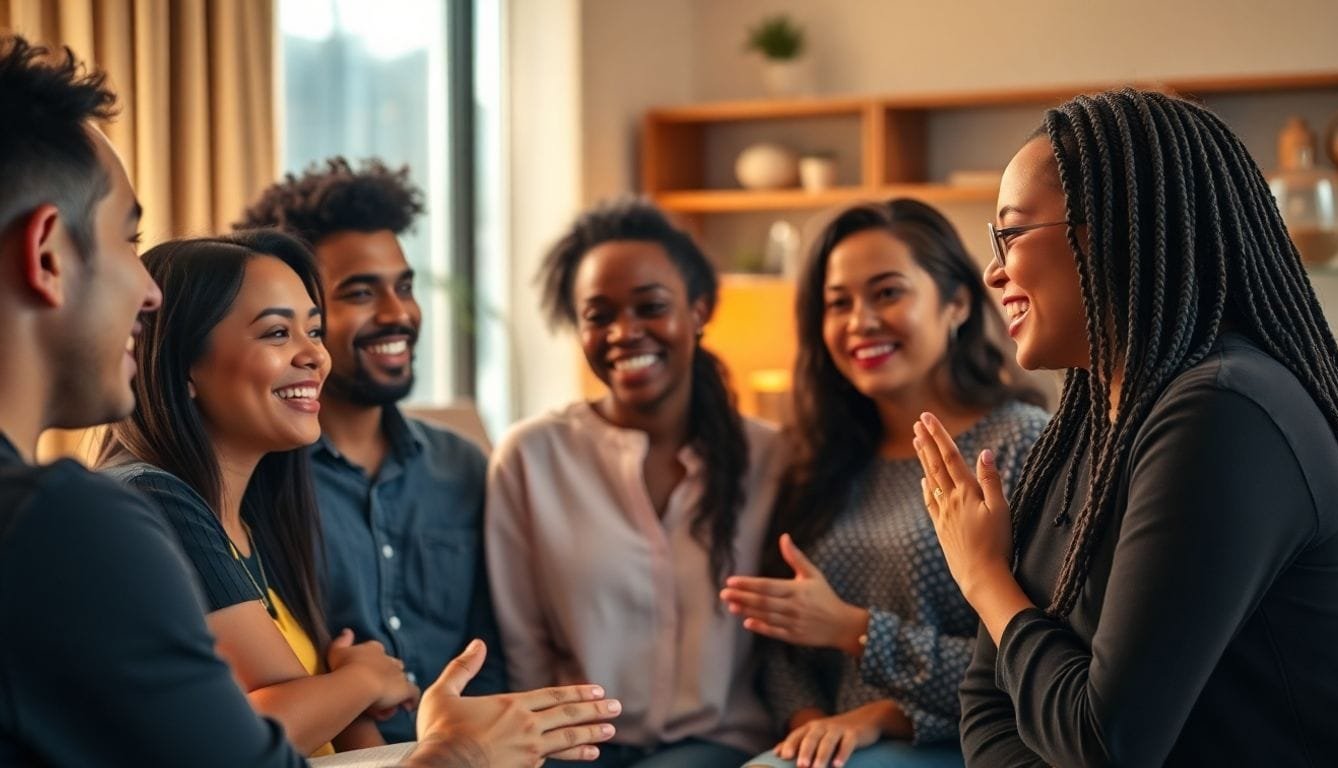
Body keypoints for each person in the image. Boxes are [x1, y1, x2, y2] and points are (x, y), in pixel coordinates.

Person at [0, 33, 617, 767]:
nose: (148, 291)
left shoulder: (271, 509)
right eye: (127, 242)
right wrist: (455, 751)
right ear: (45, 254)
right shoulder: (86, 519)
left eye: (313, 328)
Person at [913, 88, 1338, 766]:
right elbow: (987, 702)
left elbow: (1106, 742)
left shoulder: (1224, 413)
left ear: (1117, 230)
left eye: (1008, 232)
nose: (993, 269)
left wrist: (982, 576)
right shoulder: (1090, 422)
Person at [722, 200, 1048, 768]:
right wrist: (810, 732)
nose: (859, 322)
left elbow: (1030, 660)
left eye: (887, 293)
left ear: (957, 303)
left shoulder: (1019, 446)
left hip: (962, 745)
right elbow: (783, 647)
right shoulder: (818, 460)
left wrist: (862, 653)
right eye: (838, 303)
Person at [486, 199, 787, 767]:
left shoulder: (770, 456)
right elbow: (521, 640)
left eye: (650, 307)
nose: (625, 332)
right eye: (599, 316)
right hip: (572, 748)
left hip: (718, 745)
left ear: (698, 313)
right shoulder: (531, 458)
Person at [97, 230, 420, 755]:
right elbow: (254, 736)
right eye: (276, 333)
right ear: (184, 368)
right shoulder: (152, 501)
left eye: (314, 331)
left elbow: (325, 729)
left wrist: (350, 691)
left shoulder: (255, 519)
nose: (314, 355)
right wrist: (362, 682)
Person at [235, 159, 505, 744]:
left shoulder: (463, 466)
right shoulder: (257, 481)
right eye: (360, 292)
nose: (397, 314)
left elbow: (495, 654)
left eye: (403, 287)